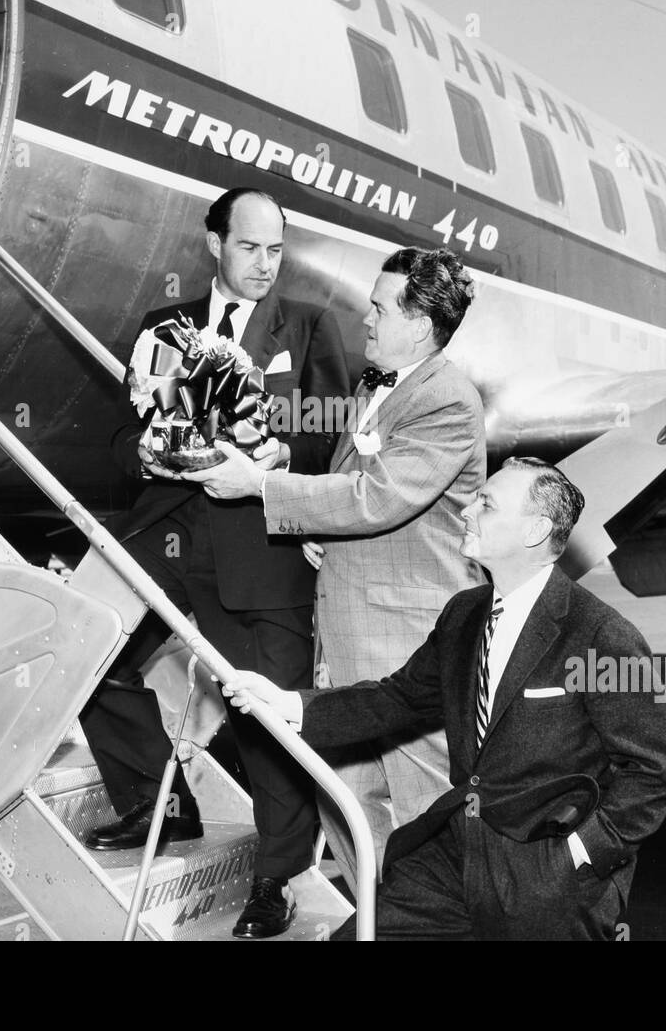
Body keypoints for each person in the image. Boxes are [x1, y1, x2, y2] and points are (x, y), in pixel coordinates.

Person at [222, 459, 666, 940]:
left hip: (549, 874)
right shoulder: (464, 614)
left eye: (486, 503)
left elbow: (655, 769)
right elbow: (398, 699)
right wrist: (288, 704)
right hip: (455, 851)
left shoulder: (601, 634)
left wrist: (583, 852)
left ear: (536, 530)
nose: (467, 510)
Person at [78, 187, 349, 939]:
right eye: (250, 247)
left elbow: (335, 440)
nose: (265, 264)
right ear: (212, 244)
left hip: (262, 548)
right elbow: (120, 438)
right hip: (168, 529)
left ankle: (276, 878)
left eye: (276, 250)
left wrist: (283, 452)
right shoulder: (165, 330)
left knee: (267, 718)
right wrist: (136, 450)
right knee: (90, 651)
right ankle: (156, 804)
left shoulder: (309, 326)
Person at [187, 246, 486, 882]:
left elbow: (378, 497)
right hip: (348, 644)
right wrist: (316, 529)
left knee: (424, 818)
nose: (367, 320)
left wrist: (261, 490)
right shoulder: (375, 385)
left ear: (420, 325)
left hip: (409, 647)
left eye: (380, 308)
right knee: (349, 808)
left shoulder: (448, 400)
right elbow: (356, 487)